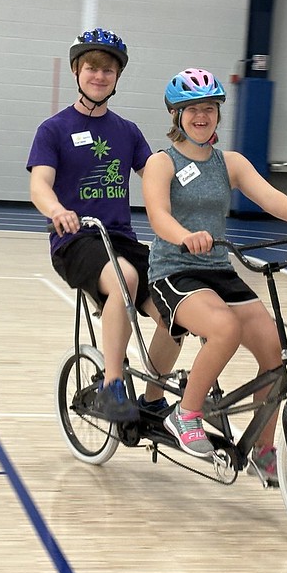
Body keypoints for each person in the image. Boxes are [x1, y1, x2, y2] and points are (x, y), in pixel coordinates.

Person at [142, 68, 287, 483]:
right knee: (224, 328)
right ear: (176, 115)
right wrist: (185, 236)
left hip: (218, 267)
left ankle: (263, 451)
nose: (202, 116)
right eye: (192, 109)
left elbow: (269, 196)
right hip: (175, 269)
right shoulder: (162, 163)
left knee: (273, 354)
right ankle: (186, 413)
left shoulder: (228, 162)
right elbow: (158, 216)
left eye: (209, 108)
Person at [27, 28, 181, 422]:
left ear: (117, 77)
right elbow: (40, 184)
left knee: (179, 309)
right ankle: (113, 387)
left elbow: (154, 176)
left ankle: (151, 398)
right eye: (92, 68)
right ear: (78, 71)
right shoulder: (54, 129)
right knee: (124, 278)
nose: (99, 76)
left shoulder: (127, 131)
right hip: (75, 240)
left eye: (108, 70)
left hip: (121, 238)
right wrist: (57, 210)